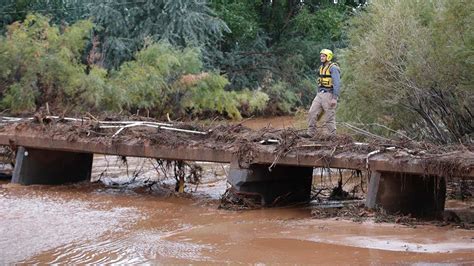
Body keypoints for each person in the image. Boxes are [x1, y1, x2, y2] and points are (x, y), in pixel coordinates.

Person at [307, 49, 341, 137]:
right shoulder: (321, 67)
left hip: (329, 94)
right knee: (312, 112)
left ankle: (332, 136)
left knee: (329, 116)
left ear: (328, 57)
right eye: (321, 56)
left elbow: (337, 84)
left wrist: (334, 98)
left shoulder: (333, 68)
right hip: (320, 94)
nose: (321, 57)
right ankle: (311, 133)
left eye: (323, 56)